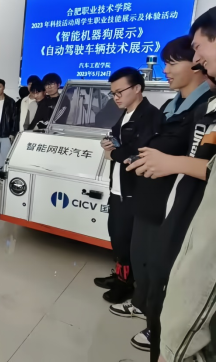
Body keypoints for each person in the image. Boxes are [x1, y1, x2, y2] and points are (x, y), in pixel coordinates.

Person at [112, 36, 213, 354]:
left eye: (172, 62)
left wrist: (166, 161)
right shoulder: (170, 105)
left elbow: (199, 164)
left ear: (197, 64)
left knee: (162, 269)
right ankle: (143, 307)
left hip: (174, 203)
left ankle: (157, 328)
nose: (165, 70)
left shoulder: (204, 109)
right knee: (142, 260)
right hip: (150, 196)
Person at [155, 12, 216, 362]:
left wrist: (175, 163)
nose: (197, 58)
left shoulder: (203, 106)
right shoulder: (187, 105)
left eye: (198, 47)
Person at [95, 68, 163, 307]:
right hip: (118, 187)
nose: (116, 97)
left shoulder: (150, 117)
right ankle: (120, 276)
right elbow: (119, 144)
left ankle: (126, 285)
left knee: (126, 240)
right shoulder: (125, 114)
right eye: (113, 93)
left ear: (137, 88)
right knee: (116, 234)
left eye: (119, 92)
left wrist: (113, 153)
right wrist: (109, 145)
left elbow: (138, 153)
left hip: (134, 190)